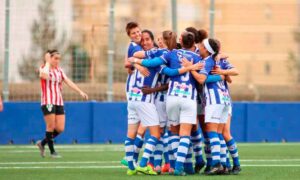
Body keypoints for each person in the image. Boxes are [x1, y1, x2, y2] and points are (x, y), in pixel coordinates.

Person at [36, 50, 88, 158]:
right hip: (48, 101)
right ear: (49, 58)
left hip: (58, 101)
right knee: (50, 126)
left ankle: (42, 143)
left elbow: (68, 81)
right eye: (55, 58)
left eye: (59, 59)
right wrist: (46, 62)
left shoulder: (59, 71)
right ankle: (52, 152)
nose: (57, 61)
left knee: (60, 128)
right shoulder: (43, 68)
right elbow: (44, 76)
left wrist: (80, 91)